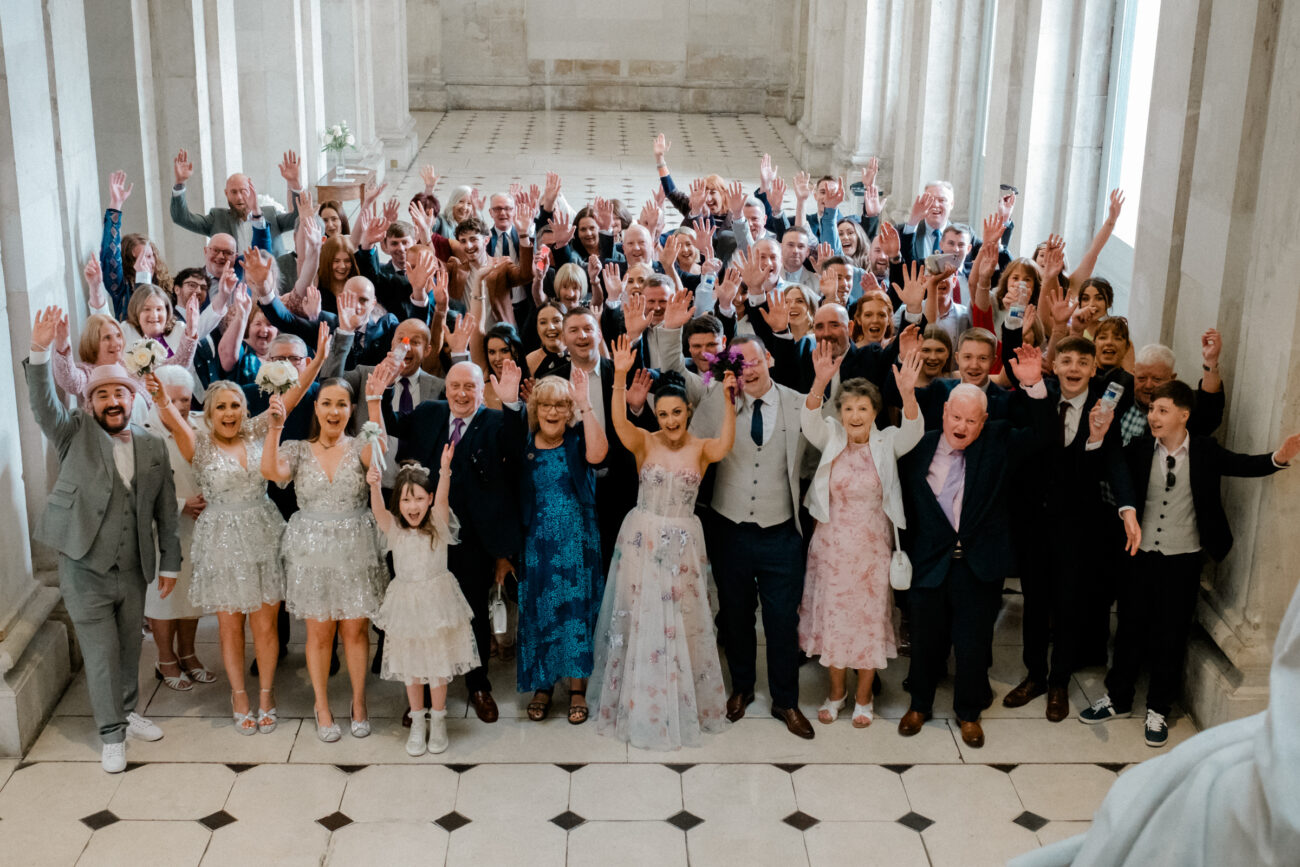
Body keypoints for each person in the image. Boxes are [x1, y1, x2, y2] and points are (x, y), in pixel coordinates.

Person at [1079, 381, 1299, 746]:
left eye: (1162, 411)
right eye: (1151, 410)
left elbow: (1241, 465)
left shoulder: (1205, 450)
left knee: (1171, 634)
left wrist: (1277, 458)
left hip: (1183, 559)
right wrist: (1097, 437)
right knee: (1130, 628)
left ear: (1184, 415)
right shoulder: (1137, 449)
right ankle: (1117, 698)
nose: (1153, 417)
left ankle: (1158, 709)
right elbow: (1101, 467)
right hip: (1139, 555)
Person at [24, 307, 180, 773]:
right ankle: (111, 734)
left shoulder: (151, 446)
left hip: (132, 566)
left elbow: (165, 511)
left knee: (130, 647)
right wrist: (39, 351)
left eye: (120, 393)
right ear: (90, 402)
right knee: (100, 651)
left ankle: (128, 710)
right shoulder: (73, 433)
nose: (113, 401)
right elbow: (43, 404)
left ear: (132, 400)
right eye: (103, 394)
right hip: (82, 564)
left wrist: (169, 563)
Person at [151, 326, 326, 733]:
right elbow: (171, 416)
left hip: (263, 535)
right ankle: (239, 695)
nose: (229, 413)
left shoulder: (257, 431)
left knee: (265, 626)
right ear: (208, 415)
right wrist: (156, 391)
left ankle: (265, 693)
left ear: (244, 410)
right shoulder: (198, 443)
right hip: (222, 543)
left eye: (234, 406)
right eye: (220, 408)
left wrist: (315, 362)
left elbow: (294, 396)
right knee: (230, 627)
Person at [654, 303, 817, 739]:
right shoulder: (712, 401)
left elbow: (818, 457)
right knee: (737, 617)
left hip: (782, 532)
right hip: (729, 531)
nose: (747, 370)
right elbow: (672, 367)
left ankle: (786, 701)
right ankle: (742, 688)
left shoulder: (801, 405)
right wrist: (671, 327)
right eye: (738, 364)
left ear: (770, 360)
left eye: (754, 361)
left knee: (783, 621)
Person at [895, 347, 1055, 748]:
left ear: (984, 421)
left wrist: (1033, 384)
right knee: (926, 641)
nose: (961, 426)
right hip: (928, 564)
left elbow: (1045, 436)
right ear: (944, 412)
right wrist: (907, 394)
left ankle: (968, 713)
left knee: (972, 644)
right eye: (956, 417)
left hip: (979, 566)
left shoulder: (999, 442)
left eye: (971, 420)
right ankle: (919, 704)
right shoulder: (919, 446)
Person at [588, 337, 735, 750]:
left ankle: (679, 696)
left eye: (677, 413)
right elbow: (618, 424)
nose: (671, 420)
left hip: (684, 542)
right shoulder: (644, 442)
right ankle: (637, 697)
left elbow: (726, 444)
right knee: (640, 613)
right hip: (642, 537)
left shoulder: (703, 449)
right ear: (657, 413)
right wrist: (618, 376)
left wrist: (726, 396)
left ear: (688, 411)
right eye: (664, 413)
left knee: (682, 617)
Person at [383, 360, 526, 724]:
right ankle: (424, 696)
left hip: (473, 538)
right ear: (445, 388)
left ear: (482, 391)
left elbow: (515, 448)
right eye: (455, 386)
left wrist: (510, 403)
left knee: (470, 609)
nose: (462, 394)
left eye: (470, 387)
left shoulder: (496, 421)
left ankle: (478, 685)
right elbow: (395, 429)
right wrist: (380, 392)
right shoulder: (430, 412)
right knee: (424, 615)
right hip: (424, 535)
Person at [261, 366, 393, 742]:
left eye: (341, 404)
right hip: (312, 550)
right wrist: (275, 426)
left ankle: (358, 703)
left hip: (355, 546)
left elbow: (378, 458)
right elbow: (271, 471)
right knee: (319, 633)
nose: (334, 411)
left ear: (351, 410)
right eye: (326, 404)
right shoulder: (298, 449)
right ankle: (321, 705)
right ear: (315, 408)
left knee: (354, 630)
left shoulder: (359, 446)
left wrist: (374, 401)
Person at [800, 344, 925, 727]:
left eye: (863, 409)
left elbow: (914, 430)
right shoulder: (832, 438)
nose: (855, 415)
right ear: (840, 413)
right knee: (835, 619)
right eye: (849, 408)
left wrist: (907, 393)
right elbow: (809, 421)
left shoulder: (887, 444)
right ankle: (836, 693)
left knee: (868, 620)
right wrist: (821, 381)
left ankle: (865, 696)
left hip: (872, 549)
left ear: (874, 413)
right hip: (831, 549)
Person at [514, 371, 608, 724]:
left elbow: (599, 456)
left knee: (576, 612)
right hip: (537, 544)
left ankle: (577, 689)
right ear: (535, 408)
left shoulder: (576, 439)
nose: (553, 412)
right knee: (540, 613)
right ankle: (543, 686)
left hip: (577, 543)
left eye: (561, 405)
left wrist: (585, 404)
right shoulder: (525, 446)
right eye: (546, 405)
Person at [368, 454, 478, 756]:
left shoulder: (438, 524)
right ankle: (418, 720)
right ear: (398, 504)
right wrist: (375, 486)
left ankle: (439, 720)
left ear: (428, 499)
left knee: (437, 664)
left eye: (418, 498)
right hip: (406, 604)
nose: (413, 506)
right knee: (412, 667)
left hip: (437, 602)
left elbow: (443, 498)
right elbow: (378, 511)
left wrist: (444, 470)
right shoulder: (395, 529)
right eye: (406, 500)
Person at [137, 366, 211, 693]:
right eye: (170, 398)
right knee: (164, 597)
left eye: (184, 398)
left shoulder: (200, 426)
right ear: (155, 396)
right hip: (162, 527)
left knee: (191, 594)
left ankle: (189, 653)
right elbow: (137, 488)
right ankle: (165, 658)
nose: (179, 405)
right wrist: (182, 503)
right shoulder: (143, 431)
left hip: (198, 525)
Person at [169, 148, 301, 254]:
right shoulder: (217, 218)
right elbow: (181, 218)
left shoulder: (270, 214)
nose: (239, 197)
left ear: (251, 191)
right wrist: (180, 183)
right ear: (226, 194)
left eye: (243, 191)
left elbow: (299, 217)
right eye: (233, 192)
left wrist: (294, 183)